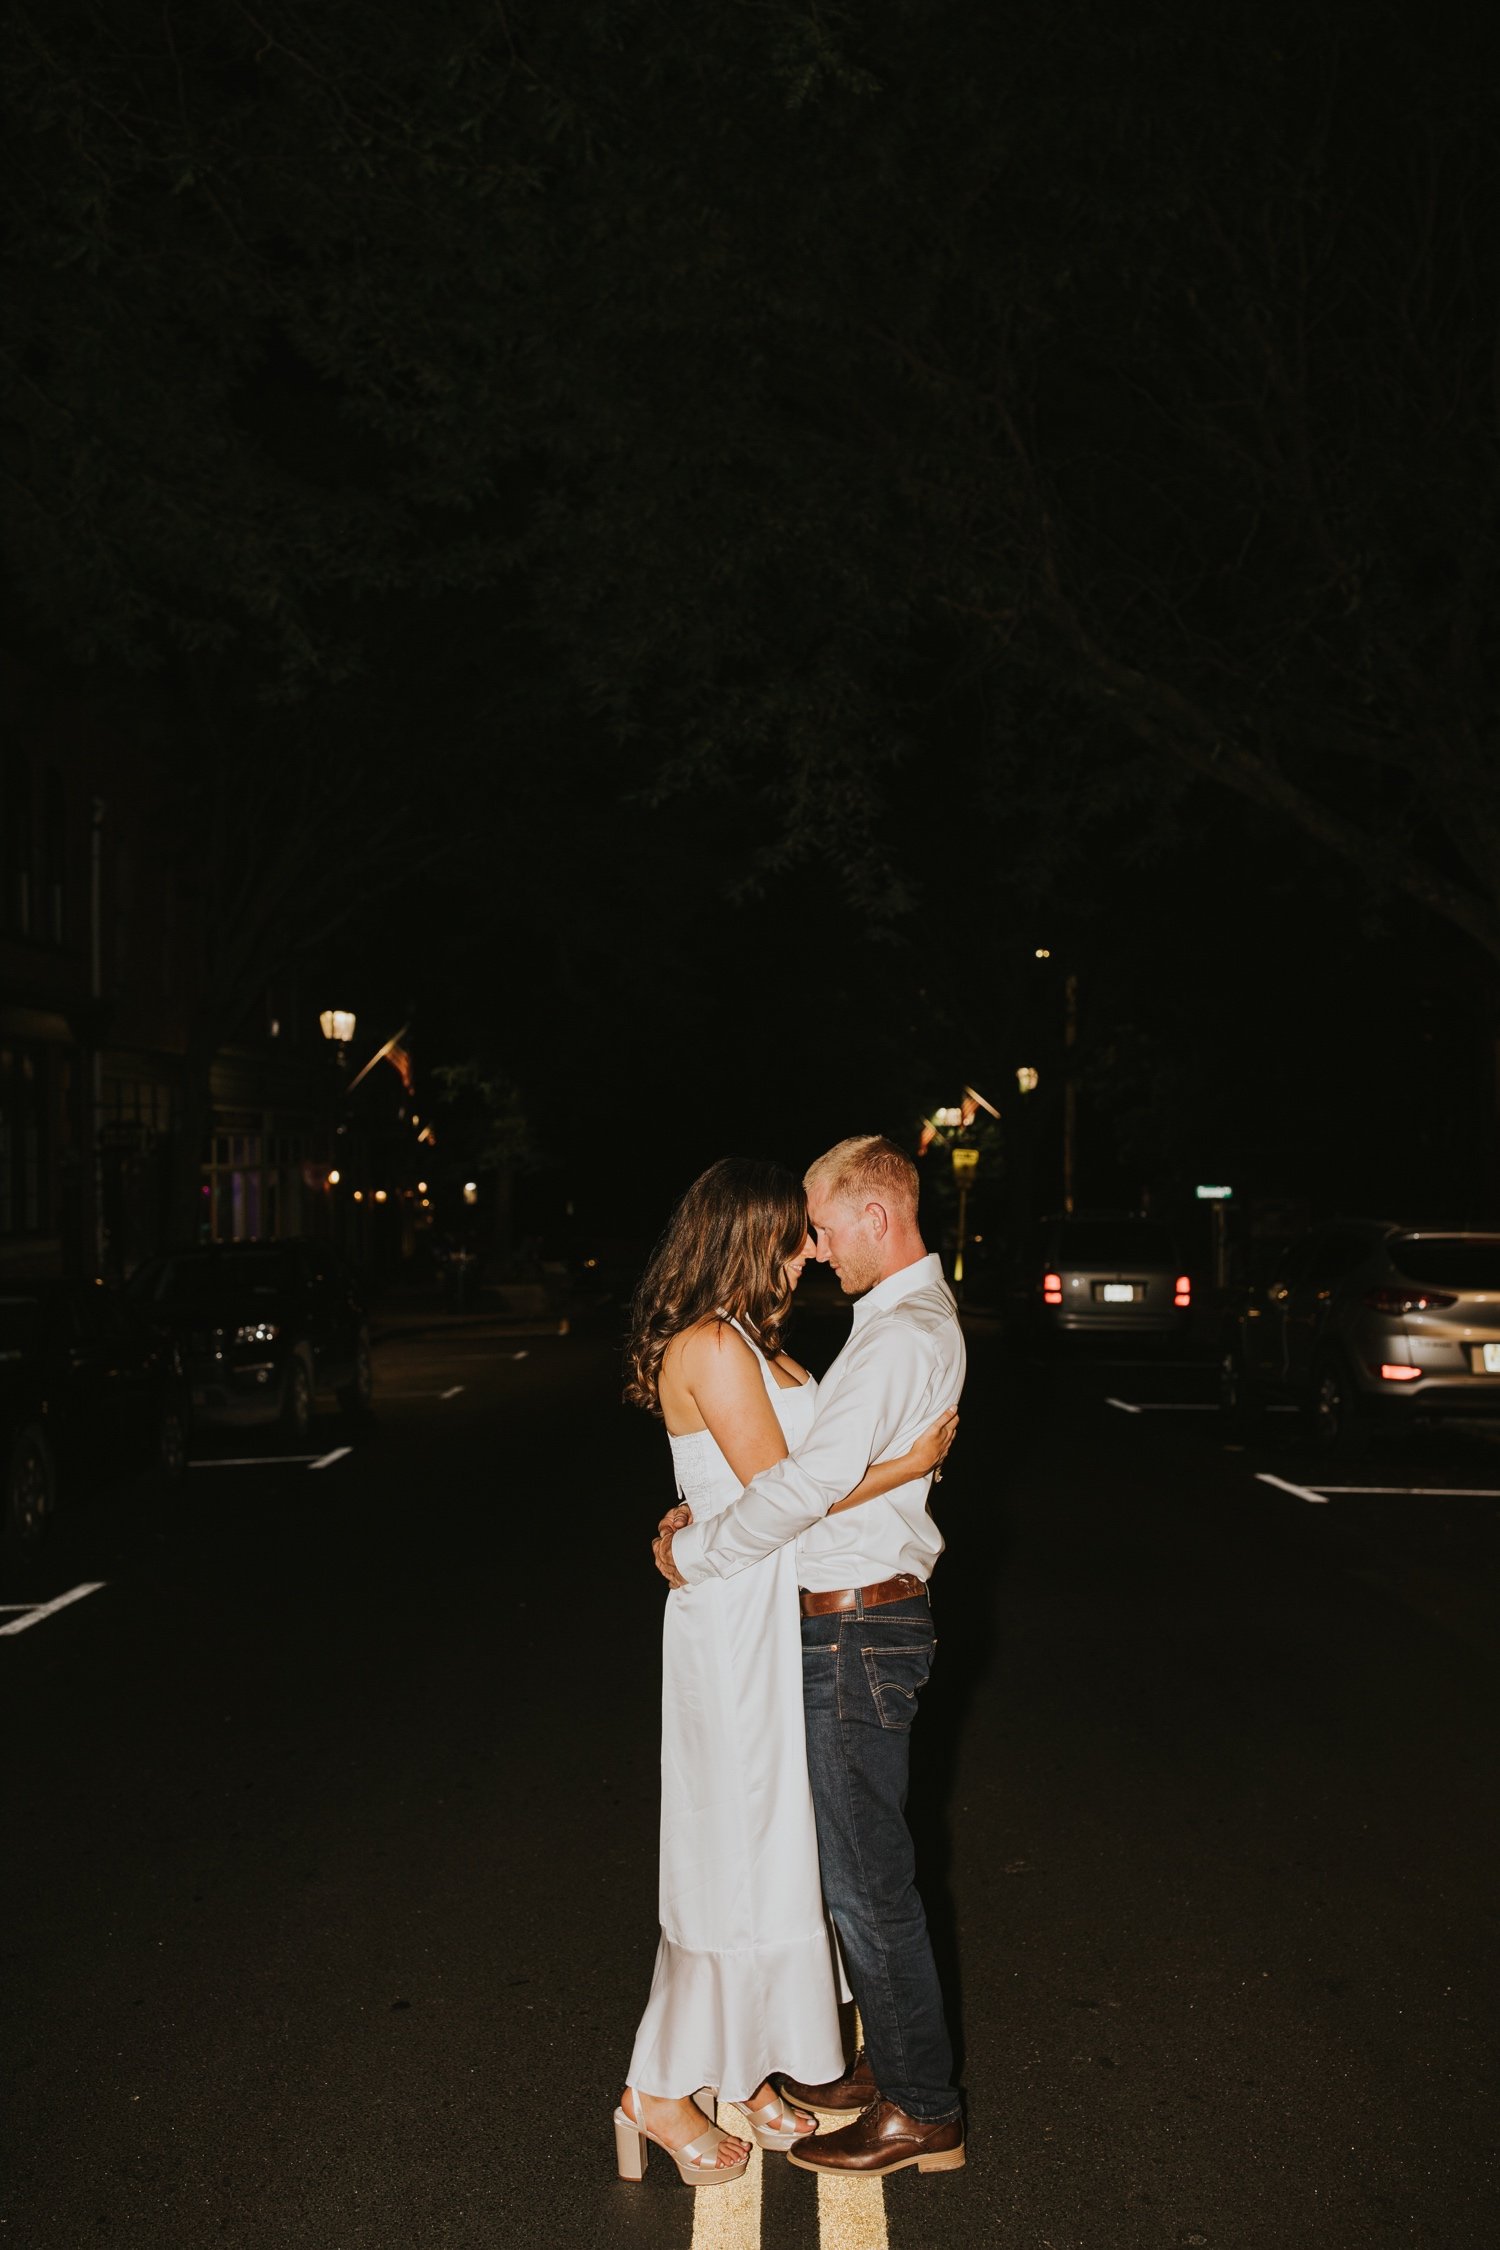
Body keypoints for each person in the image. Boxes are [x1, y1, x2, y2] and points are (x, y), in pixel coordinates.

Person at [613, 1157, 958, 2188]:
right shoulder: (716, 1345)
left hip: (777, 1615)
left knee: (776, 1856)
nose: (808, 1249)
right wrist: (907, 1468)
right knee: (730, 1850)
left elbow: (782, 1494)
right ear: (746, 1235)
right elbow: (786, 1496)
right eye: (792, 1232)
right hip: (733, 1619)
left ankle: (747, 2058)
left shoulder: (758, 1343)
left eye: (815, 1230)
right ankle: (661, 2084)